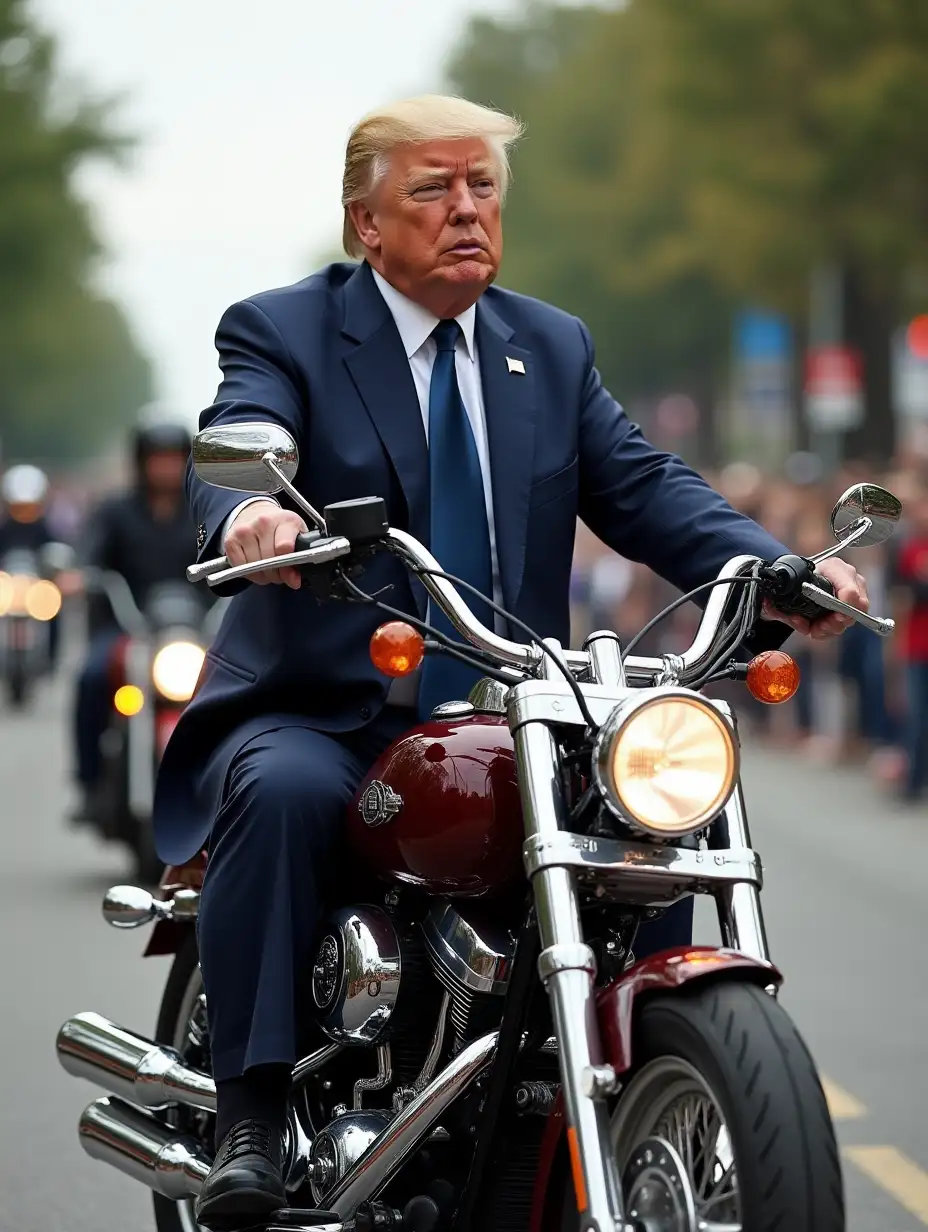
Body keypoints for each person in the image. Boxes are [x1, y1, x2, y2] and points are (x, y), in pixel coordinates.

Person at [152, 96, 868, 1228]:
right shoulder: (286, 328)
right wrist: (252, 513)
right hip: (332, 708)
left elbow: (642, 485)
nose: (466, 210)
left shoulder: (550, 344)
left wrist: (780, 569)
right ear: (364, 224)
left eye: (482, 187)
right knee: (281, 789)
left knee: (646, 827)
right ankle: (247, 1111)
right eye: (432, 190)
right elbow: (248, 430)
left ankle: (624, 1083)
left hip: (513, 708)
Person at [72, 419, 195, 820]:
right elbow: (88, 554)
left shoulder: (203, 510)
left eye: (173, 459)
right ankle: (90, 783)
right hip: (128, 630)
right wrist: (79, 573)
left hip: (194, 633)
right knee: (91, 677)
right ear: (140, 462)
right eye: (157, 459)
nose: (165, 468)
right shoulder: (115, 510)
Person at [0, 464, 63, 666]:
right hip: (8, 585)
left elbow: (57, 551)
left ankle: (52, 656)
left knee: (54, 608)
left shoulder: (45, 530)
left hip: (36, 586)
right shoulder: (5, 529)